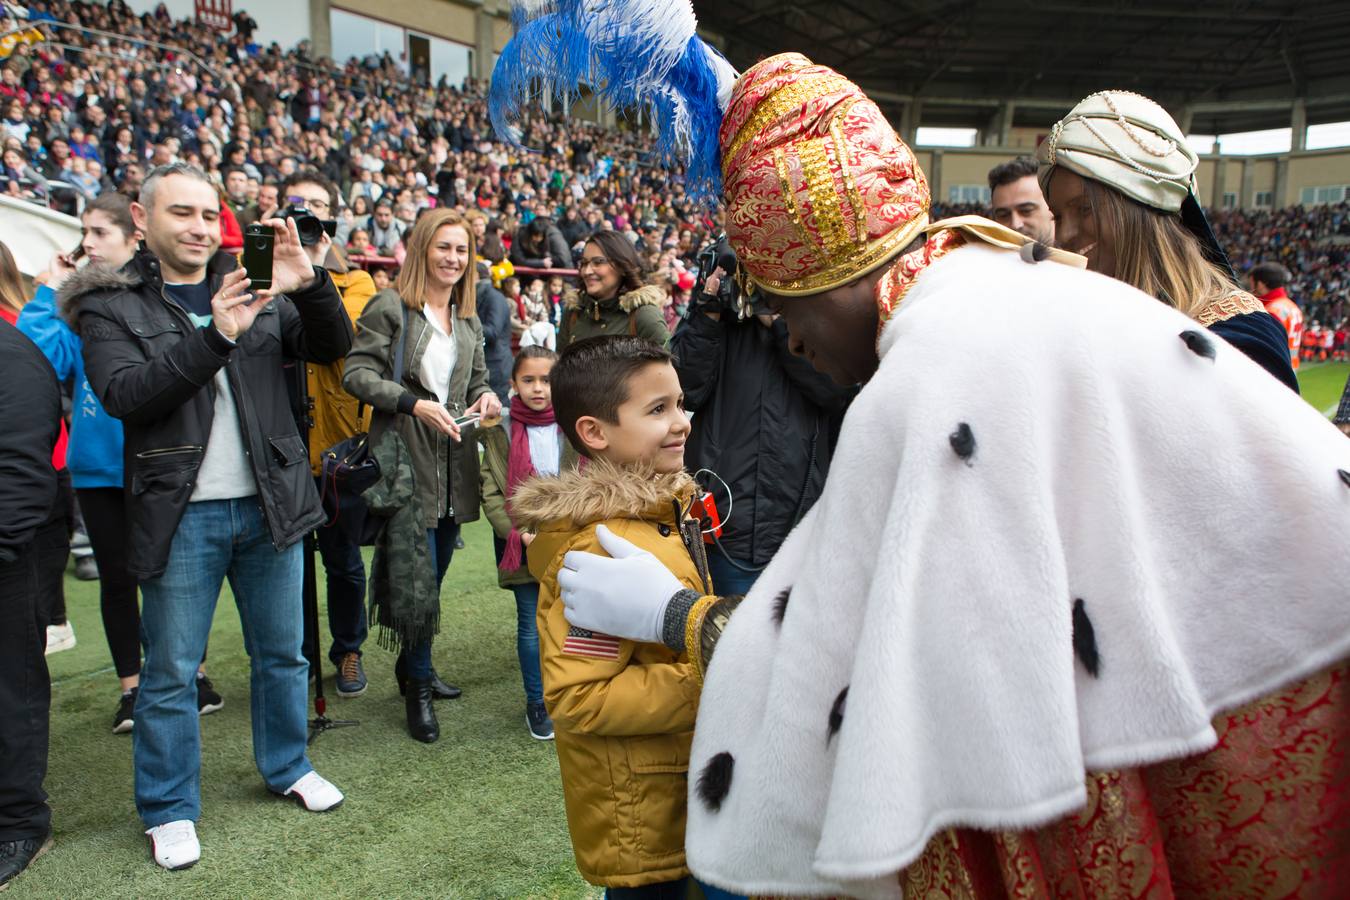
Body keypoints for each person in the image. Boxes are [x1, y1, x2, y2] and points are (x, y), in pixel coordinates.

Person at [497, 35, 1350, 896]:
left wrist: (678, 615)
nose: (790, 336)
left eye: (787, 306)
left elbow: (875, 671)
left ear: (833, 276)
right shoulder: (1002, 287)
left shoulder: (931, 371)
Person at [71, 163, 352, 870]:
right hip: (180, 514)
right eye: (181, 214)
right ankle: (168, 807)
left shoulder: (256, 275)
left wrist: (310, 283)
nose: (198, 227)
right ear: (144, 219)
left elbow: (332, 345)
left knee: (283, 655)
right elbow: (127, 395)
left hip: (271, 503)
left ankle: (288, 765)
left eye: (207, 214)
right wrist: (217, 335)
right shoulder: (112, 303)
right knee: (169, 672)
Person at [17, 193, 227, 732]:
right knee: (117, 578)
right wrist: (49, 290)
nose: (87, 244)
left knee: (179, 574)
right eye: (84, 232)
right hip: (102, 464)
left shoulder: (164, 295)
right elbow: (32, 355)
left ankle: (194, 673)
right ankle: (131, 688)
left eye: (99, 233)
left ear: (135, 234)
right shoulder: (82, 304)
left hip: (164, 460)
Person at [510, 335, 707, 896]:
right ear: (595, 432)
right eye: (657, 410)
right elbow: (581, 696)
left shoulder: (656, 510)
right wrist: (710, 678)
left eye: (680, 404)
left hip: (676, 793)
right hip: (647, 817)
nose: (682, 422)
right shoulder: (600, 549)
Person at [343, 208, 502, 743]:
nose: (453, 259)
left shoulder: (469, 320)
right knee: (415, 582)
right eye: (444, 248)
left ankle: (415, 665)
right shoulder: (393, 306)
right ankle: (418, 688)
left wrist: (486, 399)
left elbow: (478, 382)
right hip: (406, 466)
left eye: (461, 250)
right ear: (421, 250)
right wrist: (411, 403)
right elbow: (356, 374)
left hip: (455, 468)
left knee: (433, 577)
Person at [1039, 92, 1298, 392]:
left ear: (1142, 206)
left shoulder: (1240, 337)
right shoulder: (1082, 320)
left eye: (1085, 209)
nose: (1064, 235)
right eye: (1057, 216)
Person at [671, 254, 853, 595]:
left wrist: (780, 323)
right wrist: (707, 313)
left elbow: (834, 390)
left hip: (796, 520)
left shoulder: (816, 322)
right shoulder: (713, 321)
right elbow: (685, 391)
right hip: (725, 520)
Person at [282, 170, 378, 698]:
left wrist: (309, 274)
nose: (308, 220)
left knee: (342, 562)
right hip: (282, 447)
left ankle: (348, 651)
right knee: (288, 567)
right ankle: (295, 657)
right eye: (298, 209)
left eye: (318, 211)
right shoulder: (259, 277)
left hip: (337, 450)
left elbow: (341, 338)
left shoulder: (356, 282)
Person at [478, 346, 579, 740]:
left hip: (569, 540)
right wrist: (517, 534)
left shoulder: (574, 425)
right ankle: (537, 702)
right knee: (530, 625)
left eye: (547, 380)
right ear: (513, 385)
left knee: (573, 619)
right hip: (522, 543)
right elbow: (490, 490)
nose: (539, 389)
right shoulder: (500, 429)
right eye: (529, 380)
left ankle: (571, 691)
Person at [0, 316, 65, 892]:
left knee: (11, 689)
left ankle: (20, 822)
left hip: (7, 558)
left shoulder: (13, 357)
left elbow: (22, 471)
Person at [560, 231, 669, 349]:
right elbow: (559, 364)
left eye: (598, 262)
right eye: (584, 263)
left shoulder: (644, 316)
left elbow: (666, 365)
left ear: (622, 266)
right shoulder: (573, 312)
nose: (587, 271)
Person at [1249, 261, 1305, 371]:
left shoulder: (1272, 311)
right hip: (1290, 370)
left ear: (1260, 284)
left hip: (1276, 372)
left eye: (1251, 283)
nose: (1250, 289)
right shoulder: (1291, 306)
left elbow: (1264, 349)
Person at [987, 155, 1054, 245]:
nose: (1015, 224)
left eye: (1026, 211)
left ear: (1054, 210)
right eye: (1003, 215)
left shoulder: (1079, 257)